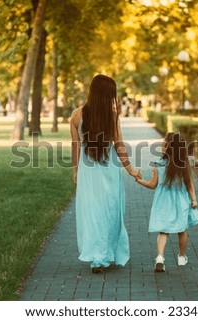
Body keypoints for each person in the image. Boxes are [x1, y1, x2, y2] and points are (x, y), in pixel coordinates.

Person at [70, 74, 141, 273]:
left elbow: (75, 147)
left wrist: (75, 170)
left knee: (91, 213)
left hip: (88, 171)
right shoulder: (112, 115)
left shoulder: (77, 115)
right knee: (110, 211)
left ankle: (96, 257)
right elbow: (119, 145)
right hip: (109, 170)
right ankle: (106, 254)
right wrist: (130, 168)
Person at [135, 132, 198, 272]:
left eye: (164, 143)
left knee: (163, 231)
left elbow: (153, 185)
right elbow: (189, 184)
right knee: (182, 230)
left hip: (164, 202)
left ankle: (160, 258)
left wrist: (139, 181)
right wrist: (194, 200)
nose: (161, 145)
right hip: (181, 202)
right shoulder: (183, 165)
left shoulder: (158, 164)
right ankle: (182, 258)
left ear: (168, 148)